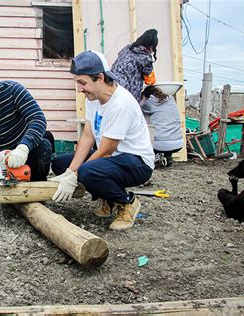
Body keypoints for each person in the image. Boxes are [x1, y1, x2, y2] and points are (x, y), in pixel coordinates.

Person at [50, 50, 154, 231]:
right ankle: (108, 198)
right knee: (60, 164)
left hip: (136, 162)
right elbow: (88, 136)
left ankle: (127, 202)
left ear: (99, 77)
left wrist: (76, 176)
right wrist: (70, 172)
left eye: (82, 83)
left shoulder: (120, 104)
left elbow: (105, 151)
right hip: (113, 159)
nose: (79, 89)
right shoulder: (93, 98)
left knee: (87, 171)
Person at [141, 85, 183, 167]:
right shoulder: (171, 100)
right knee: (167, 130)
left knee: (148, 134)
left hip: (159, 145)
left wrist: (143, 99)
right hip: (178, 144)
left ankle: (156, 158)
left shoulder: (149, 103)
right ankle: (168, 157)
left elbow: (141, 107)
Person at [111, 29, 158, 102]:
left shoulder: (127, 48)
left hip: (111, 86)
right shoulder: (145, 57)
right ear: (151, 46)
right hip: (126, 93)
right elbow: (150, 81)